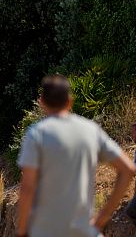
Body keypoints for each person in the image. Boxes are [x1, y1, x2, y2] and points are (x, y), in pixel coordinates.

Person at [15, 75, 136, 237]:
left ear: (41, 102)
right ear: (70, 101)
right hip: (84, 230)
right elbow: (128, 169)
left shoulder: (36, 134)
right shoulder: (90, 130)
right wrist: (103, 218)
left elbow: (28, 187)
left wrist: (22, 230)